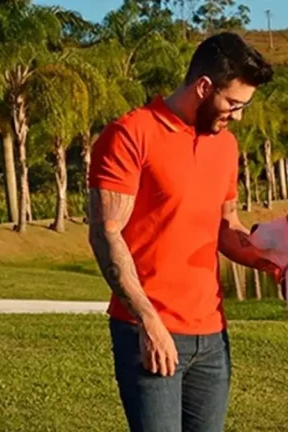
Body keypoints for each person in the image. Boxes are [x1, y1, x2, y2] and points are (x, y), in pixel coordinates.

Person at [87, 32, 278, 432]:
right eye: (233, 104)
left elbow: (227, 227)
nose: (238, 116)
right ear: (204, 87)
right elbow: (106, 233)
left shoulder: (224, 146)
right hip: (149, 330)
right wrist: (148, 322)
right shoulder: (130, 134)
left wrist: (278, 263)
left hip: (212, 337)